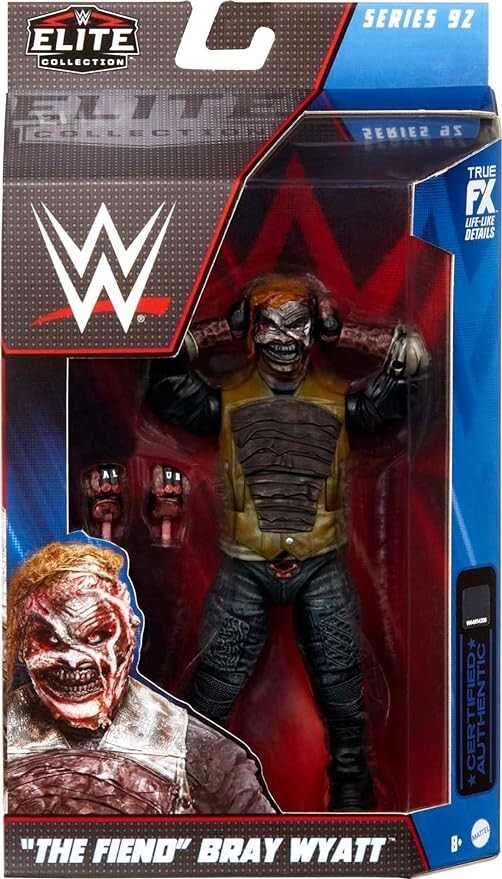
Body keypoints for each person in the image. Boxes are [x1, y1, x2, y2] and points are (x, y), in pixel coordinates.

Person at [146, 272, 428, 811]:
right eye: (269, 326)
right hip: (245, 567)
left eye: (297, 326)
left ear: (312, 332)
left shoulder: (336, 401)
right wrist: (220, 330)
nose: (283, 339)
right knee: (209, 697)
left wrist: (345, 332)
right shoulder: (227, 401)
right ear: (252, 333)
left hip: (319, 565)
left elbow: (409, 370)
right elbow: (164, 378)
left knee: (345, 705)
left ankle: (354, 815)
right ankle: (185, 803)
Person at [6, 541, 276, 816]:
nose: (74, 660)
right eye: (50, 638)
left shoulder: (208, 756)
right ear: (22, 644)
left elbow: (264, 840)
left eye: (97, 635)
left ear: (130, 637)